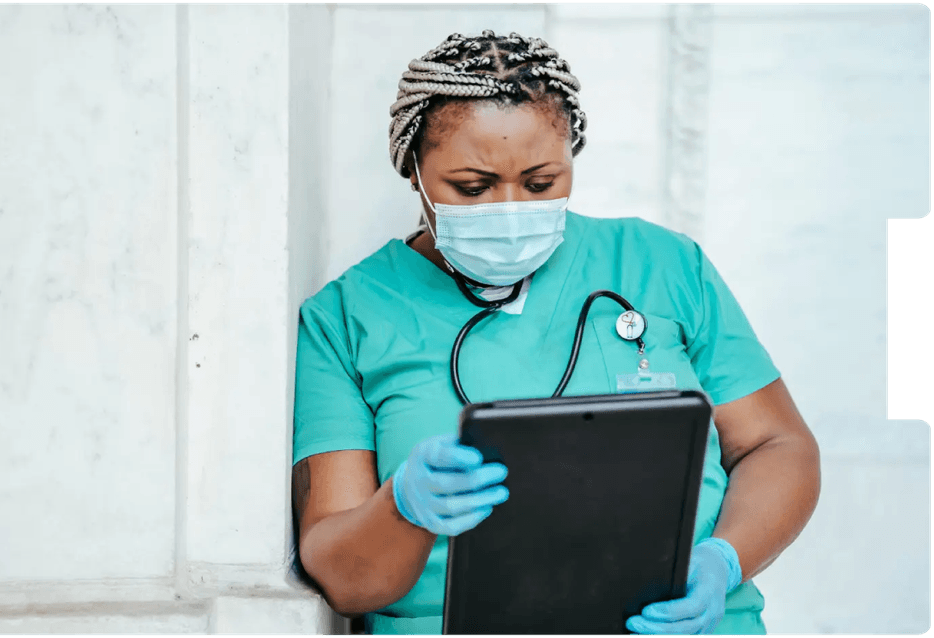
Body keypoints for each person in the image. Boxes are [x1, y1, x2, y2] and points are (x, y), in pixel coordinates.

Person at [290, 30, 821, 636]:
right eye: (472, 187)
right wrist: (403, 507)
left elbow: (777, 446)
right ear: (413, 171)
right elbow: (347, 581)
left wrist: (723, 561)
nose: (511, 208)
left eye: (541, 183)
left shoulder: (661, 265)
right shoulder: (350, 315)